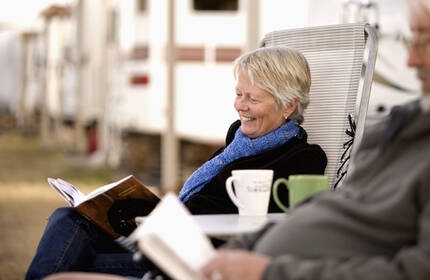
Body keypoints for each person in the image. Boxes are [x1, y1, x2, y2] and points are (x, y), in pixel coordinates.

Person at [198, 0, 430, 280]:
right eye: (411, 39)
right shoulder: (410, 122)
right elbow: (330, 209)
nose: (410, 59)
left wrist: (268, 271)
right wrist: (236, 252)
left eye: (426, 39)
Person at [26, 46, 327, 280]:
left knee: (72, 263)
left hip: (194, 259)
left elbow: (266, 225)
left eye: (252, 99)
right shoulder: (237, 145)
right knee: (69, 218)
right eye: (238, 94)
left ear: (289, 105)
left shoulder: (303, 158)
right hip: (166, 240)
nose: (240, 105)